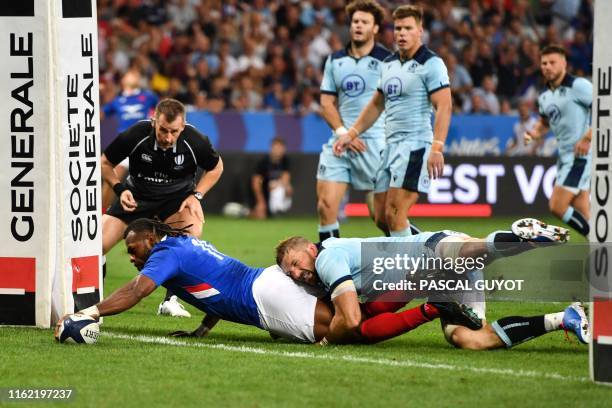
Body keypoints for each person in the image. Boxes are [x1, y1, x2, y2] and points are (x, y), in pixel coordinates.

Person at [276, 218, 588, 347]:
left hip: (429, 247)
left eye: (294, 262)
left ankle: (517, 238)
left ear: (311, 249)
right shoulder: (322, 272)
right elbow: (372, 309)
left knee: (459, 254)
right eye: (289, 271)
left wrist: (329, 339)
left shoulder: (326, 260)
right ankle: (564, 318)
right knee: (470, 339)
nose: (295, 272)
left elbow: (353, 319)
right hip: (437, 280)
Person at [66, 218, 332, 343]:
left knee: (347, 327)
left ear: (150, 239)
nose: (132, 258)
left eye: (133, 250)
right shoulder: (183, 243)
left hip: (265, 298)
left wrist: (88, 313)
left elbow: (138, 291)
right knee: (349, 306)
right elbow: (214, 286)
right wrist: (202, 330)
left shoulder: (166, 254)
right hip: (266, 281)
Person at [333, 5, 452, 237]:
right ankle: (433, 249)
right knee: (381, 216)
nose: (402, 33)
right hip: (390, 147)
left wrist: (437, 147)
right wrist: (352, 133)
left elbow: (444, 106)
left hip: (416, 146)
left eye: (408, 28)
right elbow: (377, 103)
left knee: (395, 213)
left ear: (420, 31)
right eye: (398, 28)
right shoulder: (388, 63)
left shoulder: (431, 64)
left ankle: (410, 272)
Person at [101, 98, 224, 317]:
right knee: (94, 245)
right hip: (136, 198)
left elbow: (216, 167)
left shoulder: (195, 141)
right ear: (153, 122)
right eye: (163, 130)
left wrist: (197, 196)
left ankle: (170, 301)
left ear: (182, 127)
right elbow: (104, 162)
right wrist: (120, 189)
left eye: (174, 132)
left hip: (177, 200)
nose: (168, 138)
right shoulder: (136, 134)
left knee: (190, 239)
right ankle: (92, 295)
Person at [316, 0, 390, 241]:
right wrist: (342, 132)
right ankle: (331, 267)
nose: (358, 26)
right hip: (341, 141)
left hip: (374, 143)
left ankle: (434, 256)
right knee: (326, 205)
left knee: (385, 218)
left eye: (364, 22)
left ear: (375, 28)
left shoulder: (388, 61)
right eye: (355, 21)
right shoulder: (335, 60)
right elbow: (326, 104)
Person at [524, 45, 592, 237]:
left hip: (580, 156)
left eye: (552, 62)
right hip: (564, 157)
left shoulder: (578, 86)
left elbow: (605, 108)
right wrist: (534, 133)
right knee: (583, 211)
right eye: (544, 63)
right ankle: (600, 250)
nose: (547, 66)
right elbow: (545, 122)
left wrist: (587, 137)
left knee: (557, 206)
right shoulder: (544, 96)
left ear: (564, 63)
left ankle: (599, 240)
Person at [102, 69, 159, 209]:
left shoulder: (148, 96)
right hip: (125, 145)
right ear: (123, 80)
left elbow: (162, 108)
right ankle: (102, 213)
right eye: (131, 73)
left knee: (155, 181)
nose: (136, 75)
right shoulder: (117, 101)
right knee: (112, 178)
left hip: (145, 144)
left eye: (137, 74)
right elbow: (101, 114)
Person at [250, 137, 293, 219]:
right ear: (271, 148)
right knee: (260, 217)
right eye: (276, 148)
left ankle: (278, 210)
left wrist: (277, 184)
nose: (278, 151)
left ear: (284, 149)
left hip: (276, 192)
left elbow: (286, 179)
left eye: (280, 148)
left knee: (287, 189)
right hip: (263, 193)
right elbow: (256, 183)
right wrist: (261, 202)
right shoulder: (263, 162)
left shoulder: (285, 161)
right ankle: (253, 211)